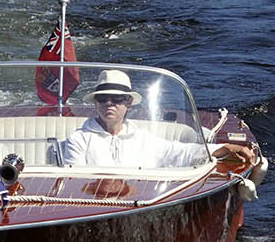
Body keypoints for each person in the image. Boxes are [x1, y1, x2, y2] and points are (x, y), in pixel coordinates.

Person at [57, 70, 198, 170]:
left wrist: (215, 150)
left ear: (129, 102)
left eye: (116, 98)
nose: (109, 103)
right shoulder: (78, 139)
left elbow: (181, 152)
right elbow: (75, 179)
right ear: (95, 103)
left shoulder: (142, 139)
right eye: (102, 98)